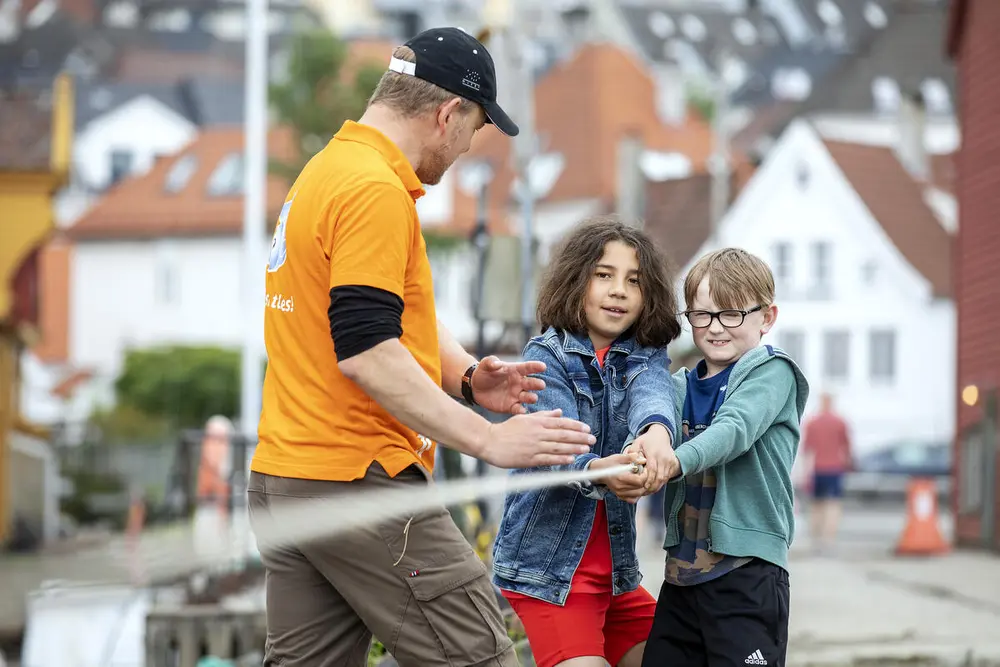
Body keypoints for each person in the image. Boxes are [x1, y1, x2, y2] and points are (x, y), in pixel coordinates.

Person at [247, 28, 598, 667]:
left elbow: (383, 317)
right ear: (445, 115)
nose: (466, 150)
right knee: (479, 655)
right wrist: (487, 439)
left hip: (288, 477)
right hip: (359, 481)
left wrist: (466, 376)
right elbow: (366, 350)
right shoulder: (374, 191)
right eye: (474, 131)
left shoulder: (327, 171)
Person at [492, 217, 684, 667]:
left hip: (616, 579)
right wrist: (603, 471)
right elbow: (557, 451)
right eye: (604, 275)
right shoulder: (546, 354)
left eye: (633, 281)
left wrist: (657, 434)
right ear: (576, 280)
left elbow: (651, 392)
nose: (619, 290)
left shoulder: (645, 354)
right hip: (548, 576)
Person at [636, 248, 809, 667]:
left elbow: (734, 431)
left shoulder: (772, 372)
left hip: (747, 575)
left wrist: (674, 461)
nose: (715, 328)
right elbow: (647, 427)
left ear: (766, 317)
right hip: (682, 576)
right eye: (701, 315)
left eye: (731, 314)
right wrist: (636, 453)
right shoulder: (675, 388)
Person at [801, 392, 853, 554]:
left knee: (816, 505)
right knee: (833, 506)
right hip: (834, 468)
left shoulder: (812, 423)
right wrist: (848, 466)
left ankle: (816, 541)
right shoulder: (840, 422)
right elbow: (846, 449)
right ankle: (828, 541)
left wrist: (805, 473)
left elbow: (807, 451)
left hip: (817, 469)